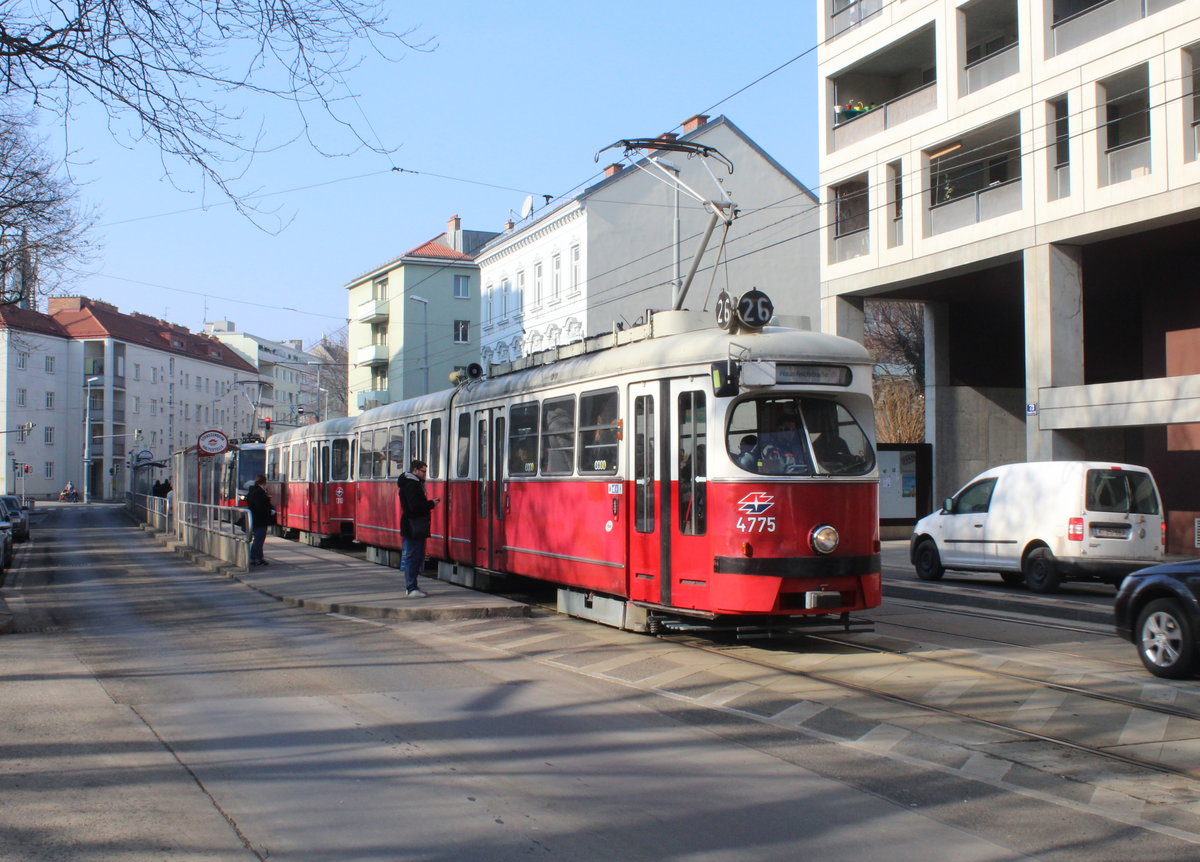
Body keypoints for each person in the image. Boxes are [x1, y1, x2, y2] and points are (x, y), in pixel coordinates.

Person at [397, 459, 440, 598]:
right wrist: (431, 504)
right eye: (423, 472)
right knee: (413, 556)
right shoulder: (412, 485)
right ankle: (411, 587)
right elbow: (414, 507)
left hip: (411, 525)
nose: (424, 475)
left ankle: (412, 585)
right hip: (413, 526)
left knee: (415, 556)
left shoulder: (410, 484)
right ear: (415, 470)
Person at [244, 474, 275, 566]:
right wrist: (270, 511)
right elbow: (260, 506)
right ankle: (253, 558)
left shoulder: (253, 491)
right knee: (259, 539)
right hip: (260, 520)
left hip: (255, 519)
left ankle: (259, 558)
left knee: (259, 539)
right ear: (264, 482)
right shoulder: (259, 492)